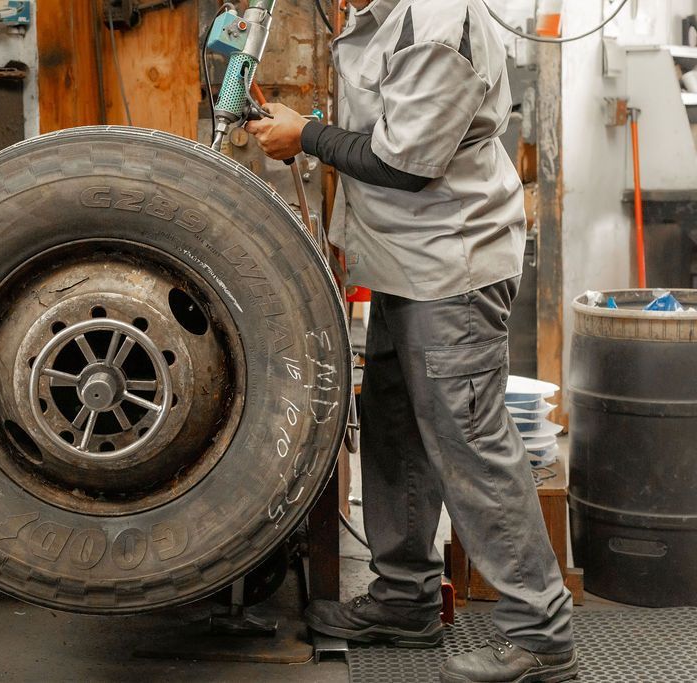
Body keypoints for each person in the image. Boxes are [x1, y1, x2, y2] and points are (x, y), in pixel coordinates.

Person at [245, 1, 576, 681]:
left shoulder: (436, 20)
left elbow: (406, 164)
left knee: (468, 438)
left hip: (449, 262)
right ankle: (405, 598)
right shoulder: (377, 12)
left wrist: (306, 135)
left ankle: (540, 631)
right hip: (401, 256)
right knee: (394, 425)